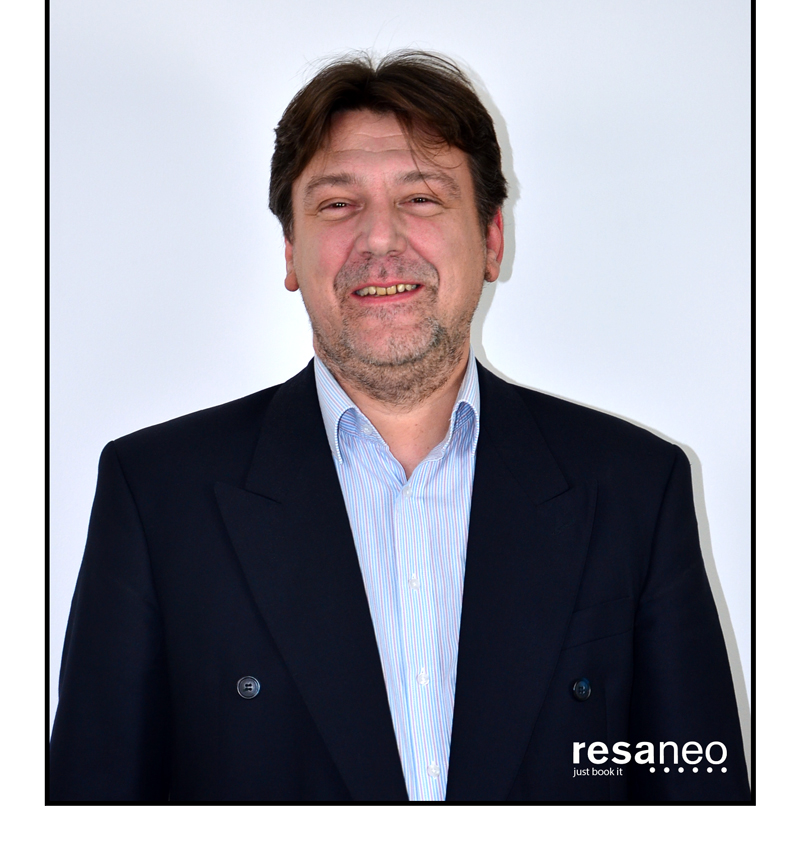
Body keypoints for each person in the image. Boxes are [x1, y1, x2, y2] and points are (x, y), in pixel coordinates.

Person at [49, 51, 749, 802]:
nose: (380, 240)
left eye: (421, 198)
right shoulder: (158, 496)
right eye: (336, 205)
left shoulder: (634, 490)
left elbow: (702, 820)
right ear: (291, 252)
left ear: (491, 240)